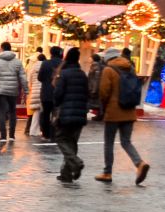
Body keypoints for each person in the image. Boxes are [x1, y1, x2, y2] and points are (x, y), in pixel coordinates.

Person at [95, 46, 150, 185]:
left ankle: (107, 172)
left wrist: (103, 107)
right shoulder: (130, 68)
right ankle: (139, 163)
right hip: (129, 111)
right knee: (126, 141)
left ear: (107, 58)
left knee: (109, 143)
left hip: (113, 112)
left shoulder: (108, 70)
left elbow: (104, 91)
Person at [50, 48, 92, 183]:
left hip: (66, 112)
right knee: (72, 142)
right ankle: (66, 174)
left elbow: (57, 94)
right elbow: (87, 93)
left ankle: (75, 162)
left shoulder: (64, 74)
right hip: (80, 113)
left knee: (61, 138)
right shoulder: (82, 74)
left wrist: (56, 105)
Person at [0, 42, 25, 142]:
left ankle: (3, 136)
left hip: (0, 90)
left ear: (1, 49)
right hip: (13, 90)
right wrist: (26, 90)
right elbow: (22, 76)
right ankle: (12, 135)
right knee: (13, 112)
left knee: (1, 112)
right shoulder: (17, 61)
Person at [35, 46, 62, 139]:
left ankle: (46, 134)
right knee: (57, 114)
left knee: (45, 114)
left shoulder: (45, 63)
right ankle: (55, 133)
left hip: (46, 93)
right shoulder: (63, 64)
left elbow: (39, 78)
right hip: (59, 93)